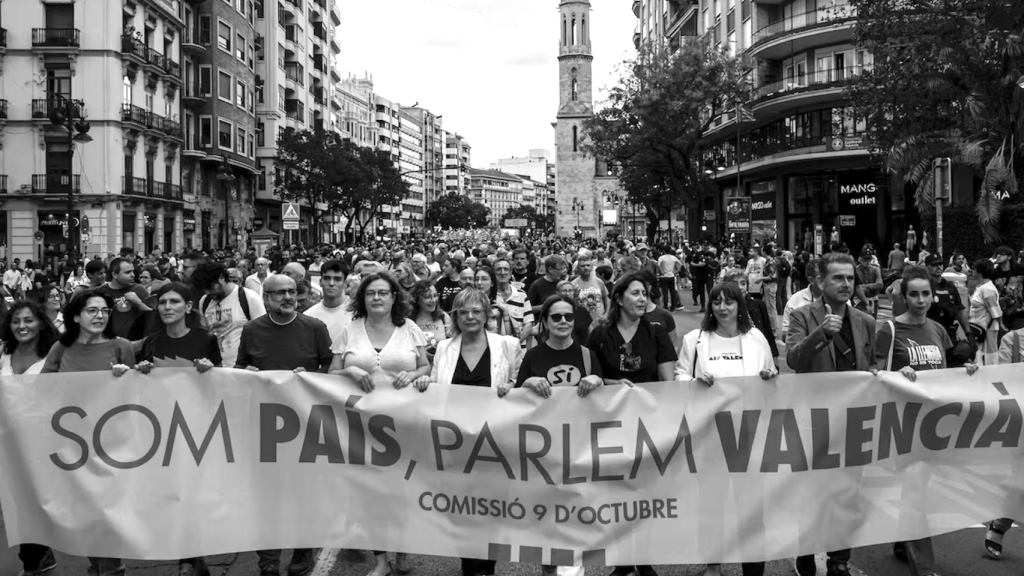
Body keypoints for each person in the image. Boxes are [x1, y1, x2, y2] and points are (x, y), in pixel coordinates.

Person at [875, 265, 978, 576]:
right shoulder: (889, 331)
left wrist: (968, 371)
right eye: (914, 294)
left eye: (925, 294)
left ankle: (901, 541)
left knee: (921, 490)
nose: (920, 300)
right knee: (916, 491)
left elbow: (944, 375)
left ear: (933, 296)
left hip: (933, 425)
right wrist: (898, 374)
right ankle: (925, 565)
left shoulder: (938, 330)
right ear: (904, 297)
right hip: (902, 423)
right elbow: (876, 375)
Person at [328, 272, 430, 576]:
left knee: (403, 489)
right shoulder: (349, 330)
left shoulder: (409, 329)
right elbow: (331, 371)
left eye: (383, 293)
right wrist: (350, 373)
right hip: (361, 425)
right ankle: (381, 558)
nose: (376, 298)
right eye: (371, 293)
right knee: (371, 493)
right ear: (362, 298)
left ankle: (404, 549)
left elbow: (425, 364)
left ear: (394, 297)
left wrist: (412, 375)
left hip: (405, 423)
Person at [675, 281, 776, 576]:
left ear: (739, 306)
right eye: (716, 302)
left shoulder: (756, 337)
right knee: (712, 505)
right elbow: (679, 377)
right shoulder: (695, 340)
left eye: (729, 302)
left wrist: (770, 375)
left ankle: (754, 568)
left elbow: (772, 374)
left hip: (749, 434)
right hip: (711, 435)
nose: (722, 308)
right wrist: (694, 381)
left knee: (751, 509)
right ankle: (713, 565)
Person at [235, 273, 333, 576]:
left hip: (305, 425)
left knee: (303, 493)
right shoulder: (252, 329)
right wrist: (246, 372)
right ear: (266, 298)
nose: (288, 298)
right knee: (267, 497)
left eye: (292, 292)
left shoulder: (315, 328)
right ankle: (268, 560)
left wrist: (314, 375)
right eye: (280, 293)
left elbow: (331, 365)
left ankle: (303, 550)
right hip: (264, 427)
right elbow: (240, 366)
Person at [786, 253, 876, 576]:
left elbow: (873, 366)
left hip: (853, 423)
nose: (846, 284)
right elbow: (794, 359)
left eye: (850, 278)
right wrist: (822, 334)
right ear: (820, 281)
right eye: (838, 278)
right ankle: (807, 552)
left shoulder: (865, 321)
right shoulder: (801, 316)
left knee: (847, 493)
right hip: (813, 423)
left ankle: (839, 559)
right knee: (812, 493)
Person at [40, 289, 135, 576]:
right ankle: (97, 566)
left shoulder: (121, 347)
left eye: (105, 310)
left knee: (108, 513)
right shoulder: (61, 348)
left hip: (113, 446)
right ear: (76, 316)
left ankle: (112, 569)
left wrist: (127, 376)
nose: (100, 316)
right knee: (86, 513)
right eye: (93, 311)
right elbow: (42, 391)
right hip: (74, 447)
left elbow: (139, 396)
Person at [585, 272, 675, 576]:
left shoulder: (656, 332)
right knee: (617, 495)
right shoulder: (599, 334)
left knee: (645, 495)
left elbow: (668, 381)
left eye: (646, 294)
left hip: (647, 425)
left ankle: (644, 559)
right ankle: (623, 560)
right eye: (636, 293)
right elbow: (591, 379)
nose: (643, 299)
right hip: (610, 424)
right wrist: (611, 381)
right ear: (619, 297)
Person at [430, 288, 521, 576]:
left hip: (494, 444)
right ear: (455, 315)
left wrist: (513, 387)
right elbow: (435, 388)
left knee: (492, 509)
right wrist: (423, 383)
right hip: (456, 446)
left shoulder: (507, 345)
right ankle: (471, 565)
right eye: (463, 311)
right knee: (461, 510)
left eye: (476, 311)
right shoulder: (445, 348)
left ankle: (486, 567)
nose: (470, 316)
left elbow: (522, 383)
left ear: (487, 315)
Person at [192, 261, 266, 368]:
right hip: (214, 368)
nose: (208, 292)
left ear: (222, 278)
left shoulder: (248, 297)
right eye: (204, 289)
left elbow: (262, 334)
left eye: (210, 287)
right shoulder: (204, 302)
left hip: (243, 369)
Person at [720, 269, 780, 364]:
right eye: (735, 284)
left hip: (759, 361)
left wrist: (775, 364)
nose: (740, 287)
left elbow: (769, 336)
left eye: (743, 283)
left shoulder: (758, 305)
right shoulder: (721, 310)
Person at [96, 257, 152, 339]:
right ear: (114, 274)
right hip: (107, 342)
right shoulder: (100, 292)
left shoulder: (139, 290)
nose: (133, 275)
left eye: (133, 271)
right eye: (128, 272)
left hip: (135, 342)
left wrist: (139, 303)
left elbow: (152, 316)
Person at [302, 260, 352, 347]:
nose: (331, 283)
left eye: (337, 279)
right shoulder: (308, 315)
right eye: (327, 278)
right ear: (320, 282)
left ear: (345, 283)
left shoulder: (358, 311)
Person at [970, 258, 1004, 366]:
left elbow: (996, 312)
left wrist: (1002, 325)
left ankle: (991, 378)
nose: (972, 271)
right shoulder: (981, 287)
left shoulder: (987, 289)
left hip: (987, 329)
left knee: (990, 359)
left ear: (979, 271)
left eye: (974, 269)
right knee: (979, 357)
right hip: (979, 329)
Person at [410, 280, 450, 358]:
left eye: (435, 295)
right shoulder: (410, 320)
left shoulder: (443, 317)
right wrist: (420, 353)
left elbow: (454, 344)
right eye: (427, 297)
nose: (433, 300)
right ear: (417, 300)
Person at [572, 251, 610, 318]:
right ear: (578, 268)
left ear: (592, 267)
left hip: (600, 321)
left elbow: (606, 298)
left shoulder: (599, 281)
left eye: (588, 265)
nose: (586, 268)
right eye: (582, 266)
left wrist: (607, 313)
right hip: (583, 321)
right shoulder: (573, 284)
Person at [656, 246, 682, 311]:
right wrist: (676, 271)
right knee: (672, 292)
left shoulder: (661, 258)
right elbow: (680, 264)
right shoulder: (673, 257)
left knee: (665, 293)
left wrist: (661, 271)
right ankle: (673, 306)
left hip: (664, 276)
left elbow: (658, 265)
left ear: (664, 251)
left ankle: (665, 305)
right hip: (671, 275)